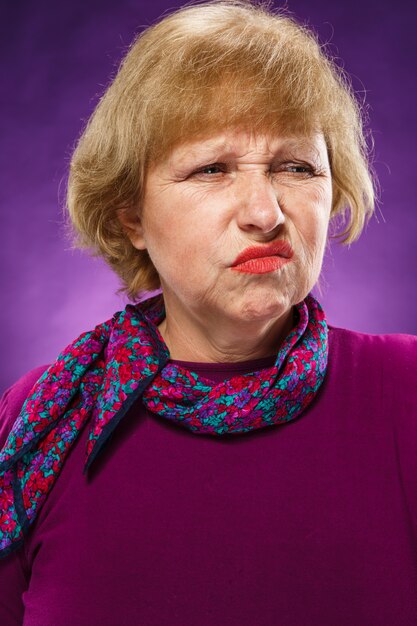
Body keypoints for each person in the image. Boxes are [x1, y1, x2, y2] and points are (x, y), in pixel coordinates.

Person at [0, 1, 416, 624]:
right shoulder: (43, 416)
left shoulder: (406, 393)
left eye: (295, 166)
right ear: (131, 216)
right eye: (212, 169)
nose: (265, 212)